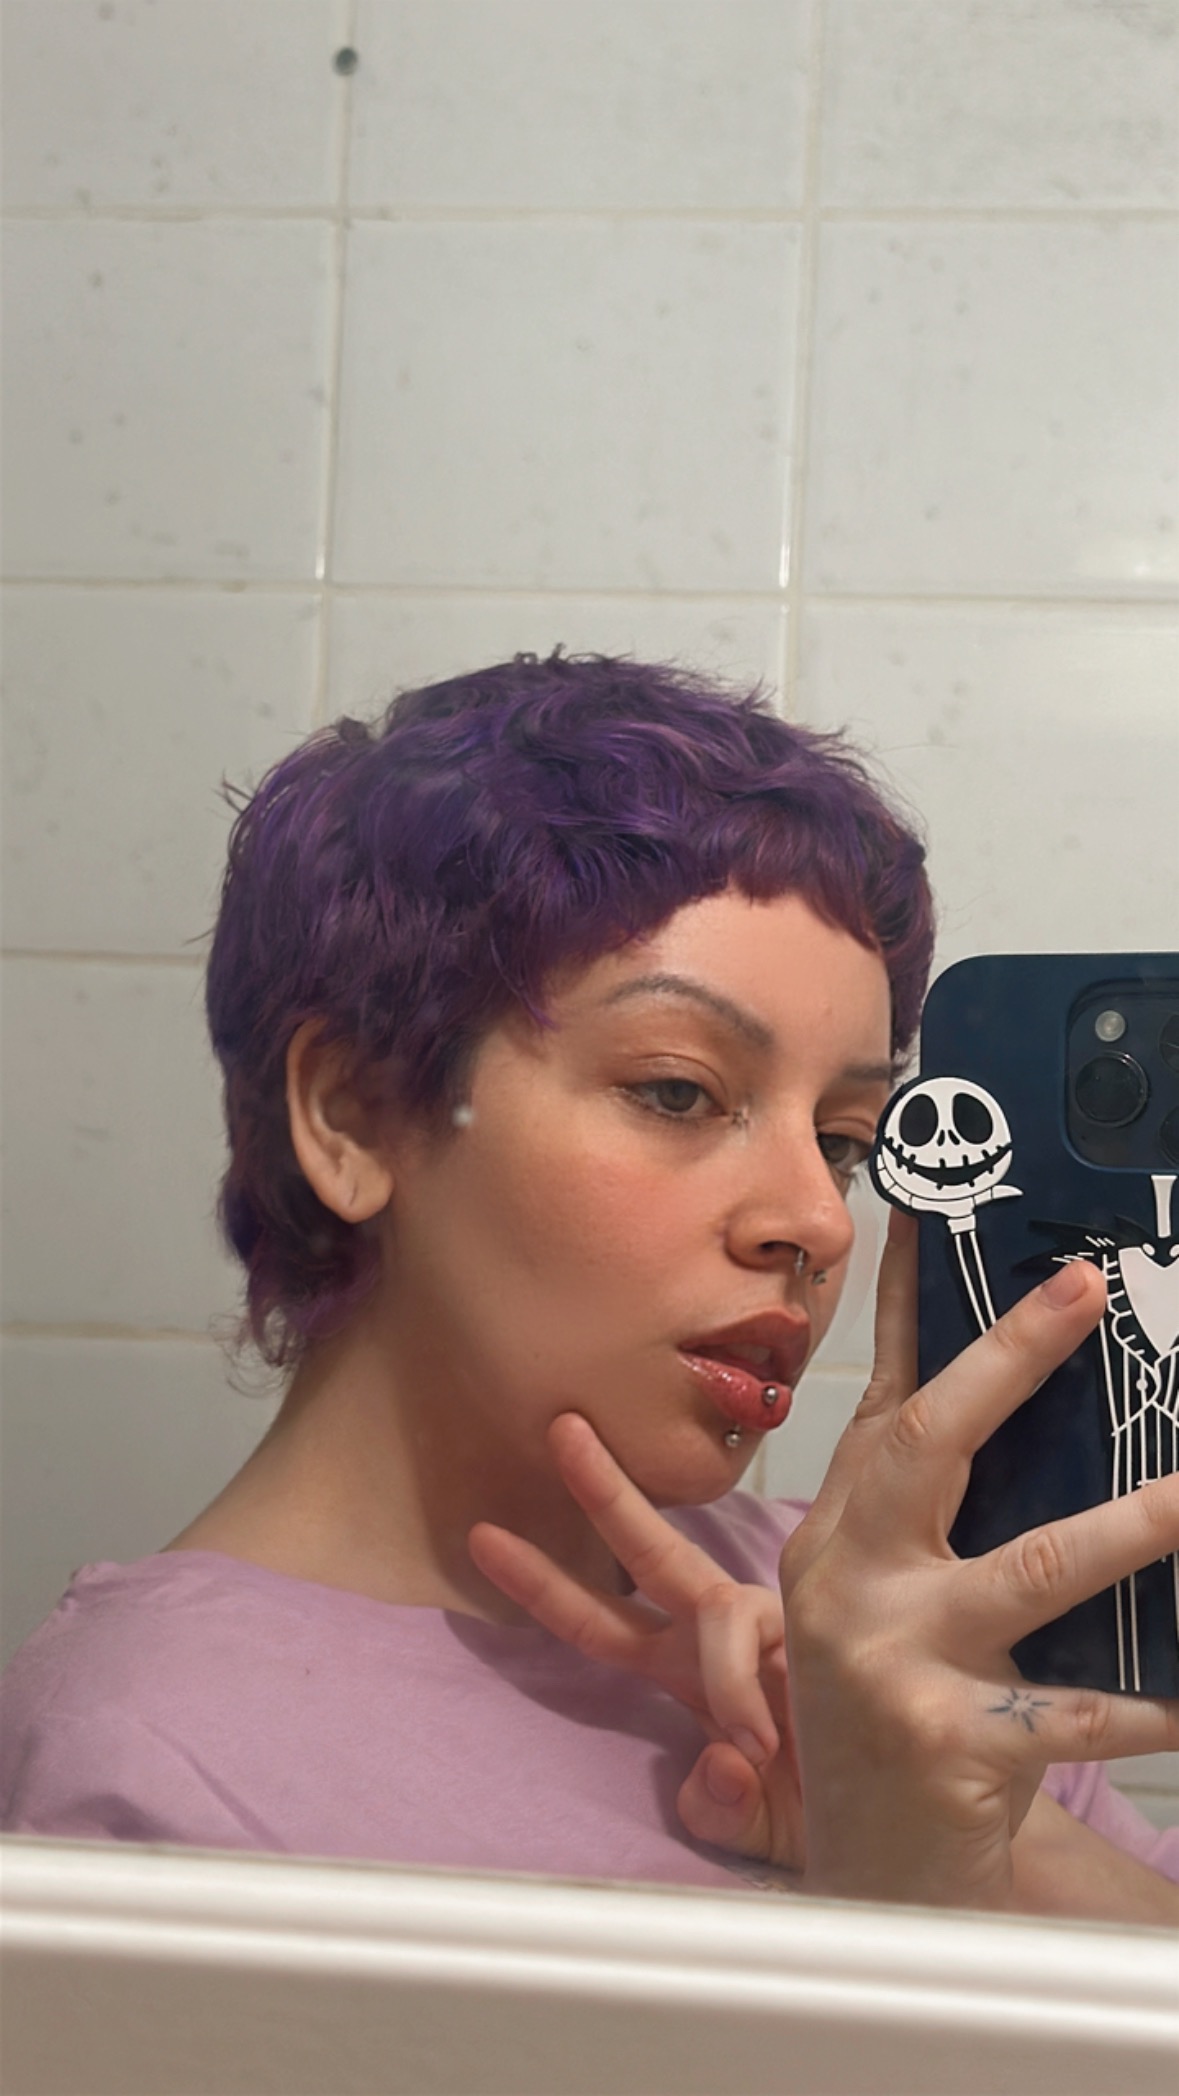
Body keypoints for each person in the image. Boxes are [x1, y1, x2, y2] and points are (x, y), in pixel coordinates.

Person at [2, 654, 1176, 1920]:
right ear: (351, 1112)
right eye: (679, 1090)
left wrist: (968, 1825)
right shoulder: (140, 1788)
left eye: (843, 1139)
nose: (817, 1219)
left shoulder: (866, 1613)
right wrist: (886, 1898)